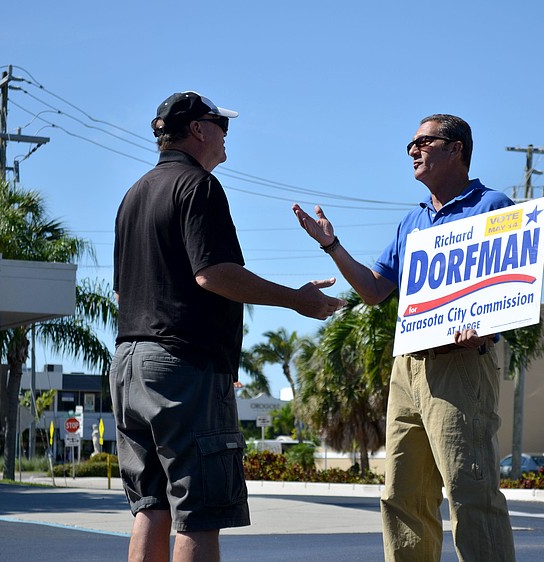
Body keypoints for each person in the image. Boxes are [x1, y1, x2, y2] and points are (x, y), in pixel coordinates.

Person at [112, 91, 346, 562]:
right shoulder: (197, 186)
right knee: (200, 512)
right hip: (182, 368)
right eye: (221, 124)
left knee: (151, 506)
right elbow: (212, 273)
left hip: (128, 364)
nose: (225, 134)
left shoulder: (134, 193)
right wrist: (297, 300)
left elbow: (122, 292)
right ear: (198, 129)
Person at [292, 114, 516, 561]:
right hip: (408, 367)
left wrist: (486, 328)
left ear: (457, 148)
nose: (413, 150)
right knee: (402, 495)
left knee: (471, 491)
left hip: (461, 364)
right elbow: (375, 290)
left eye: (424, 142)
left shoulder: (492, 205)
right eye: (410, 144)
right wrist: (332, 246)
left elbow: (513, 287)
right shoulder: (411, 222)